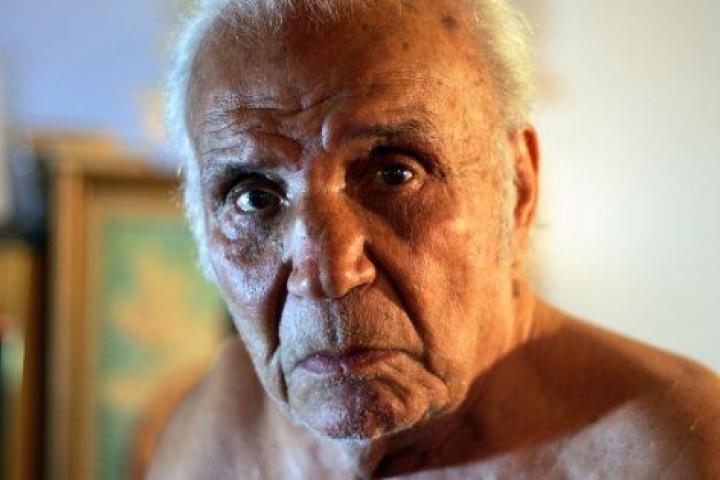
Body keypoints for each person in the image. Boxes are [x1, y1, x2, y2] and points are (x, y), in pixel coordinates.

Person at [149, 0, 720, 478]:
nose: (326, 272)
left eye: (394, 173)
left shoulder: (675, 450)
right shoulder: (215, 436)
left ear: (518, 186)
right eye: (254, 197)